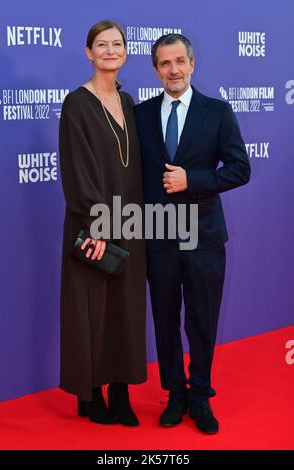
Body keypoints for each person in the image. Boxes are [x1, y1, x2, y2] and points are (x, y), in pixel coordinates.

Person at [134, 33, 250, 434]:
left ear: (192, 64)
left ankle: (200, 394)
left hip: (203, 237)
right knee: (164, 320)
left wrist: (193, 179)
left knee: (201, 320)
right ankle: (175, 393)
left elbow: (240, 168)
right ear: (155, 70)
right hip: (159, 236)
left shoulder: (217, 112)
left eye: (180, 61)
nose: (173, 70)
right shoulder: (142, 114)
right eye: (165, 64)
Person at [59, 20, 146, 427]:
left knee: (126, 309)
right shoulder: (77, 102)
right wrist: (101, 222)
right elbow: (78, 170)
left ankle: (121, 391)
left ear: (125, 53)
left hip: (132, 221)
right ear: (88, 53)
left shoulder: (129, 103)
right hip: (93, 223)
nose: (110, 50)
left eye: (117, 44)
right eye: (101, 44)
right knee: (91, 309)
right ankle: (91, 393)